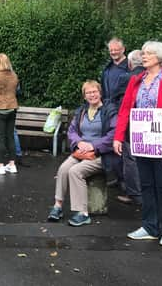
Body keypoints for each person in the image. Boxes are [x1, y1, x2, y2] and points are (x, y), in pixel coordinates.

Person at [113, 41, 162, 247]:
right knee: (146, 185)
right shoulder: (137, 80)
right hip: (141, 140)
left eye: (149, 53)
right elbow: (125, 109)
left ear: (160, 57)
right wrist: (118, 136)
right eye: (143, 53)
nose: (144, 56)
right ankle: (150, 226)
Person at [46, 80, 118, 226]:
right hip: (81, 151)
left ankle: (82, 213)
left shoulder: (109, 111)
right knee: (64, 169)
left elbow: (114, 134)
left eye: (94, 91)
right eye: (88, 93)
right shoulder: (81, 111)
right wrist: (79, 143)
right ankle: (58, 206)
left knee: (75, 171)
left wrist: (93, 145)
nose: (92, 95)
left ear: (100, 92)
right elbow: (72, 131)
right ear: (84, 96)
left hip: (101, 154)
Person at [0, 52, 26, 167]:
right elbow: (17, 91)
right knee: (10, 135)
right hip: (12, 108)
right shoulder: (14, 75)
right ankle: (12, 164)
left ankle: (0, 164)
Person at [115, 50, 144, 205]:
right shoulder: (151, 77)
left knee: (130, 159)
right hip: (148, 124)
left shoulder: (127, 78)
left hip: (130, 124)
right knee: (144, 159)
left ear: (131, 63)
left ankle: (134, 194)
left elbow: (118, 100)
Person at [100, 37, 129, 105]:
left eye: (116, 50)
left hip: (124, 107)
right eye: (111, 50)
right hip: (108, 108)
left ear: (123, 49)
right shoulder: (106, 69)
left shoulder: (131, 67)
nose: (113, 52)